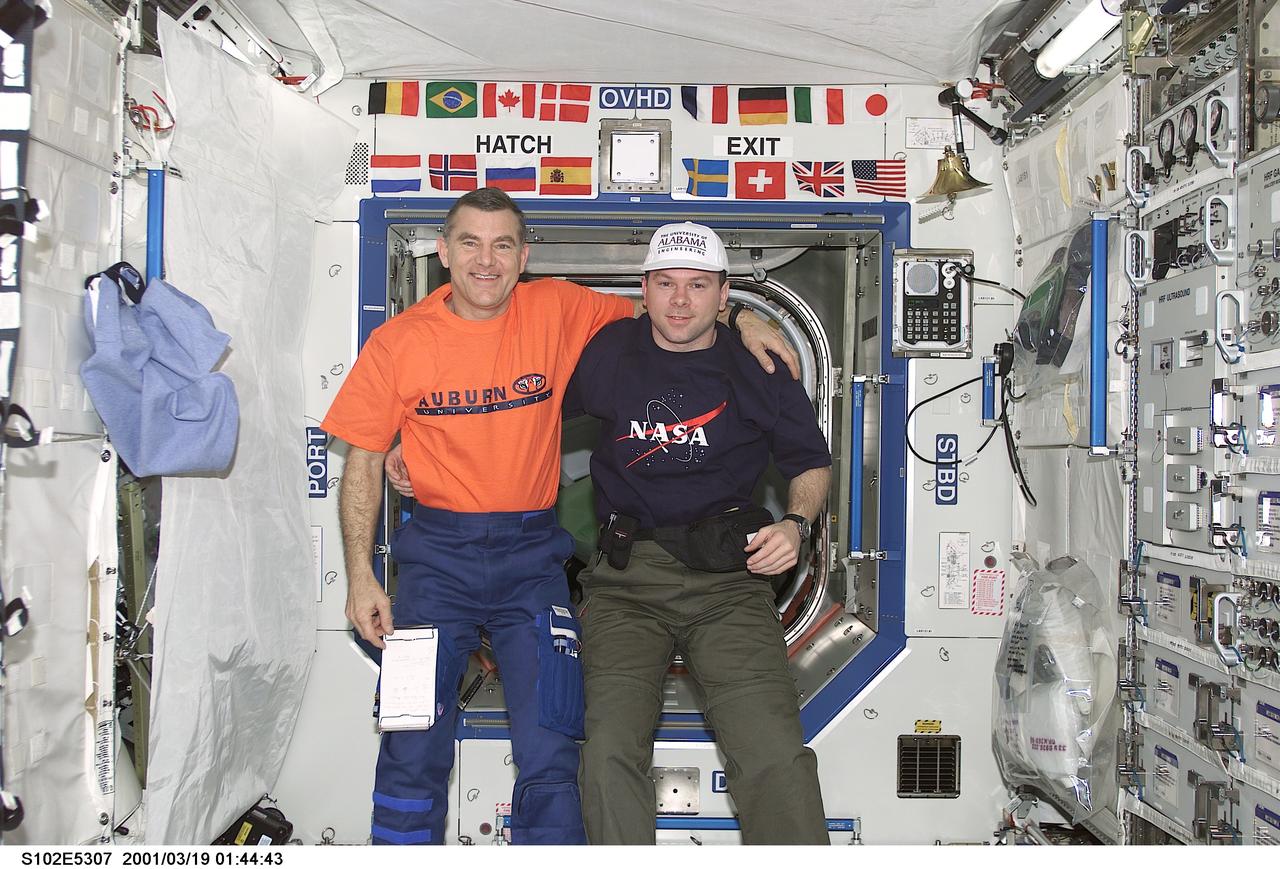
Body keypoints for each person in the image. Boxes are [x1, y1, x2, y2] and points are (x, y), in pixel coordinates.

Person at [321, 189, 797, 846]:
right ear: (442, 250)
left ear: (525, 256)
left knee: (553, 751)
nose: (486, 260)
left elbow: (671, 312)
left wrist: (744, 316)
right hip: (434, 564)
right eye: (470, 243)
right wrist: (359, 576)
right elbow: (363, 463)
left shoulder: (560, 307)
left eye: (503, 245)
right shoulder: (396, 344)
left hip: (530, 565)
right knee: (409, 742)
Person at [566, 222, 832, 844]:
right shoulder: (607, 352)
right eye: (666, 284)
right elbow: (525, 412)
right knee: (606, 750)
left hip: (729, 583)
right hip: (625, 583)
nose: (680, 300)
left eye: (698, 285)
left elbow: (810, 463)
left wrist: (796, 525)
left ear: (723, 293)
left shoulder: (758, 364)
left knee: (772, 752)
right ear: (644, 289)